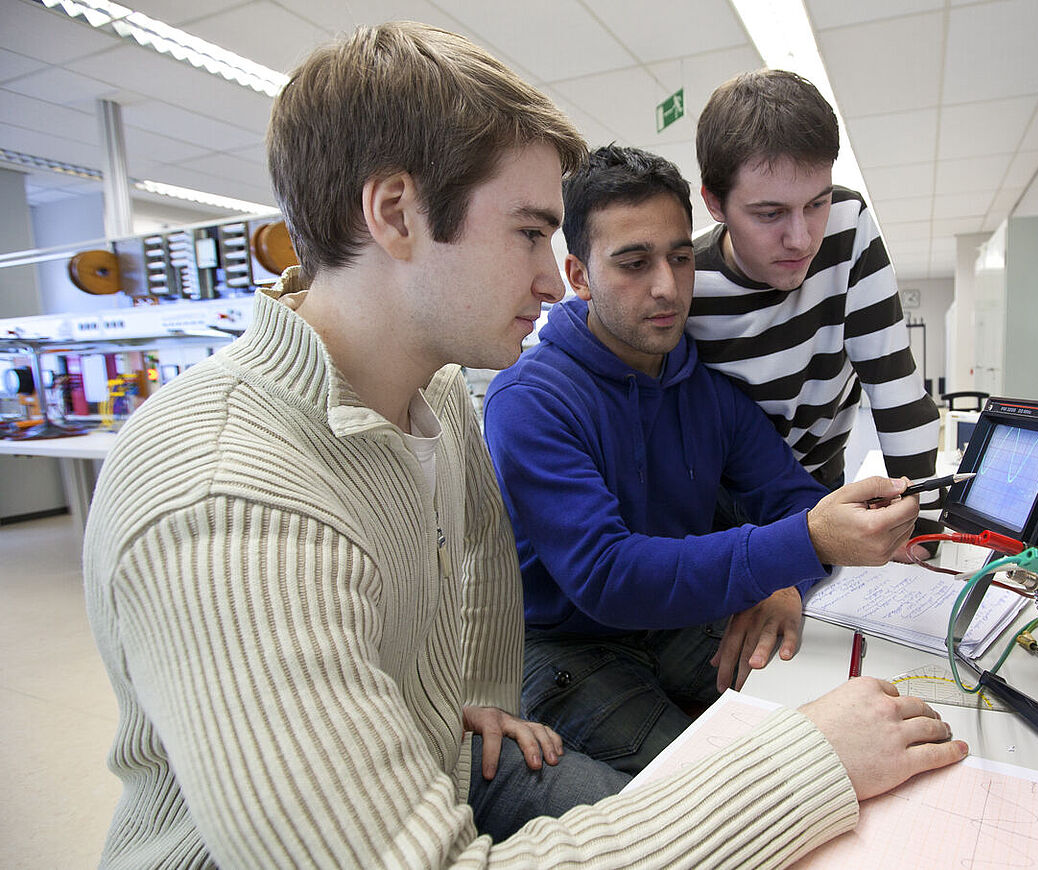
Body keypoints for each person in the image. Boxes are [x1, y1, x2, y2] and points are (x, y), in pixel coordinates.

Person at [82, 22, 967, 869]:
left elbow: (465, 592)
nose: (555, 283)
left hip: (456, 749)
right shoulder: (227, 500)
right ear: (396, 213)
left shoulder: (428, 401)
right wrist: (805, 764)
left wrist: (460, 704)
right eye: (531, 234)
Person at [484, 145, 922, 775]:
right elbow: (609, 576)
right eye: (633, 264)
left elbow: (796, 498)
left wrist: (786, 580)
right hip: (569, 648)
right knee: (721, 787)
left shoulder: (703, 390)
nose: (667, 287)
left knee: (822, 701)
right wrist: (801, 545)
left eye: (681, 259)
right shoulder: (529, 401)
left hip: (676, 620)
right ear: (578, 277)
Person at [689, 70, 943, 529]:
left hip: (824, 480)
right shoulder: (688, 282)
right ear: (714, 203)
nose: (802, 240)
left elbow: (897, 394)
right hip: (724, 506)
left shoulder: (848, 225)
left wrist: (923, 531)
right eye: (769, 214)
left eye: (815, 204)